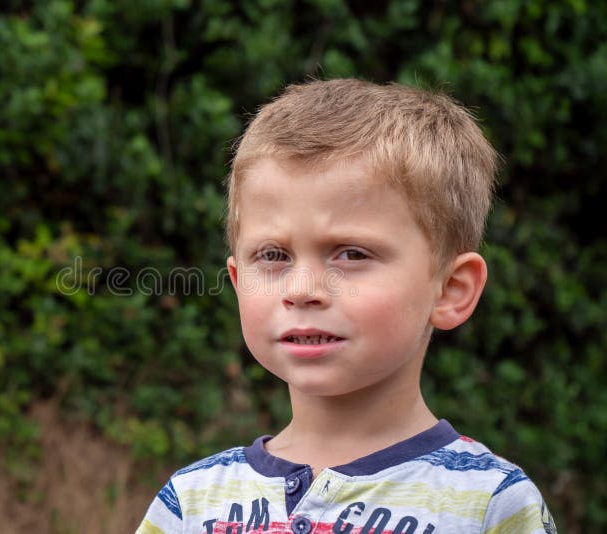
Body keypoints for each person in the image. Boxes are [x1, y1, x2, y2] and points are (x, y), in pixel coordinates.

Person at [136, 78, 556, 534]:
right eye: (273, 256)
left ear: (451, 289)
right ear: (238, 282)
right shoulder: (190, 503)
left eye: (351, 254)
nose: (302, 289)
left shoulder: (490, 505)